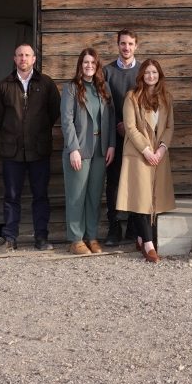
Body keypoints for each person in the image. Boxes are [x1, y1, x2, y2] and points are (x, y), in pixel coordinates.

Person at [0, 44, 61, 252]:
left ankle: (41, 238)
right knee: (11, 196)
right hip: (13, 151)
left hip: (39, 149)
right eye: (20, 55)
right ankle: (9, 239)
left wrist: (38, 129)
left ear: (34, 59)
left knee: (40, 196)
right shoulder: (4, 85)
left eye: (27, 55)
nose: (23, 59)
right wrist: (15, 131)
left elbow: (54, 111)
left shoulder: (46, 83)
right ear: (14, 58)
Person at [118, 59, 176, 263]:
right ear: (141, 75)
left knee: (155, 198)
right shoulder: (132, 97)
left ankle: (143, 237)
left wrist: (161, 149)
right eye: (147, 72)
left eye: (154, 72)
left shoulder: (166, 98)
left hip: (159, 154)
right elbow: (130, 127)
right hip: (138, 153)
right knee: (142, 197)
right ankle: (149, 245)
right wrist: (146, 150)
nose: (151, 76)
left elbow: (169, 127)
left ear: (159, 75)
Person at [61, 47, 112, 255]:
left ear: (97, 65)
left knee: (94, 195)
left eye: (92, 62)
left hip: (101, 150)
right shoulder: (71, 88)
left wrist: (111, 145)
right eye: (85, 62)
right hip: (80, 149)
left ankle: (92, 237)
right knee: (76, 195)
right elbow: (66, 120)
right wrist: (73, 148)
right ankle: (75, 239)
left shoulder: (103, 88)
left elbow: (110, 118)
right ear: (80, 65)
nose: (89, 66)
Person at [101, 28, 140, 246]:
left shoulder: (143, 71)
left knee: (136, 179)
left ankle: (134, 224)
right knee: (113, 182)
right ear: (117, 45)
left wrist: (132, 125)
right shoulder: (107, 71)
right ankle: (114, 225)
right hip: (114, 135)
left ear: (136, 46)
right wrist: (117, 125)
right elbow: (105, 103)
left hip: (137, 136)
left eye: (130, 44)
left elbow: (146, 102)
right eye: (123, 43)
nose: (126, 48)